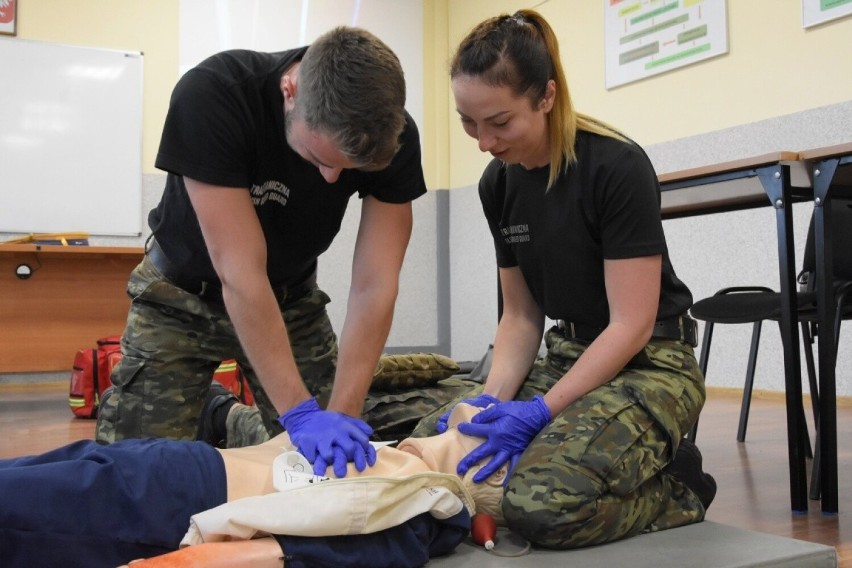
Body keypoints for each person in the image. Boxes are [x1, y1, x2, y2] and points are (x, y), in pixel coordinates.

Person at [406, 9, 716, 550]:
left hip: (651, 364)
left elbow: (631, 324)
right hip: (569, 355)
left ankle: (676, 486)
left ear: (546, 97)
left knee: (540, 507)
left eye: (500, 123)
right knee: (431, 448)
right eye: (468, 123)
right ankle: (607, 457)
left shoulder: (614, 166)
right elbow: (522, 317)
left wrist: (539, 413)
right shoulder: (497, 184)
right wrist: (489, 400)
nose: (484, 141)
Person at [95, 26, 444, 476]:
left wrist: (344, 412)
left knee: (333, 465)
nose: (331, 180)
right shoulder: (214, 95)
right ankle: (219, 414)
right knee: (134, 477)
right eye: (318, 159)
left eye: (346, 168)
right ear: (290, 89)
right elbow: (241, 275)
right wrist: (299, 414)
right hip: (181, 300)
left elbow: (376, 284)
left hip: (290, 303)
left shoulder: (390, 133)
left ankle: (228, 418)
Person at [0, 405, 501, 568]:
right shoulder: (394, 455)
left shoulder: (424, 507)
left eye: (472, 428)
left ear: (486, 473)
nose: (463, 414)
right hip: (175, 464)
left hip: (166, 506)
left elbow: (286, 552)